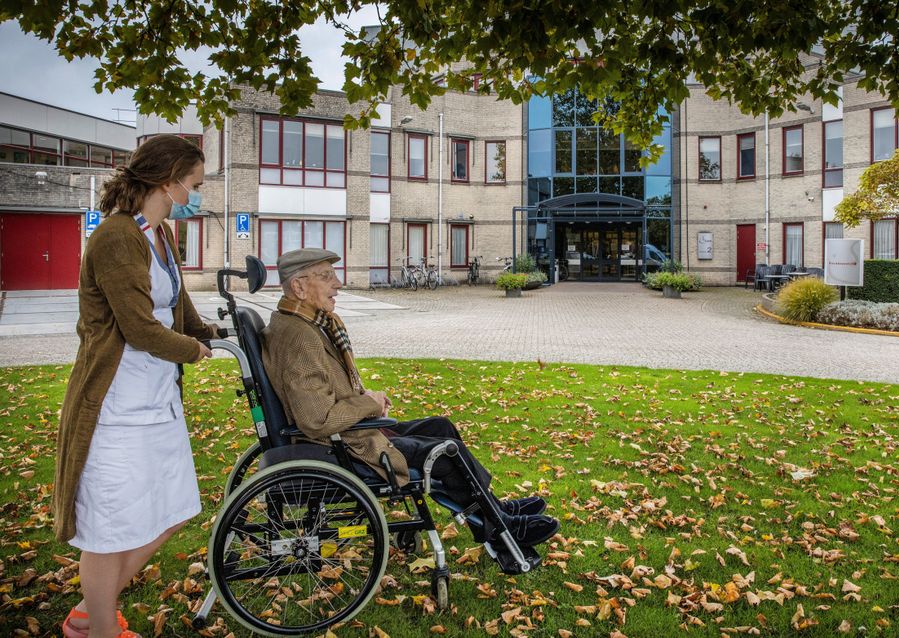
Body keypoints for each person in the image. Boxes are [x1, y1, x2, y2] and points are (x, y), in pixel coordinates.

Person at [261, 248, 560, 550]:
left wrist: (363, 397)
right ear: (299, 286)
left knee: (440, 427)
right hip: (344, 447)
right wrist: (370, 403)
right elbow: (317, 419)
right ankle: (500, 528)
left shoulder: (301, 324)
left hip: (347, 436)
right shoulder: (300, 336)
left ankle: (495, 511)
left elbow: (320, 393)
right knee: (445, 451)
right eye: (326, 277)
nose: (337, 284)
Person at [52, 135, 219, 638]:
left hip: (156, 400)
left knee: (173, 509)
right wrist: (195, 350)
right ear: (167, 183)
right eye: (194, 184)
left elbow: (177, 308)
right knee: (109, 530)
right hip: (115, 405)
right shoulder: (117, 237)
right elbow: (138, 327)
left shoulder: (160, 234)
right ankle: (98, 627)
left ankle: (89, 611)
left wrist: (213, 332)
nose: (197, 193)